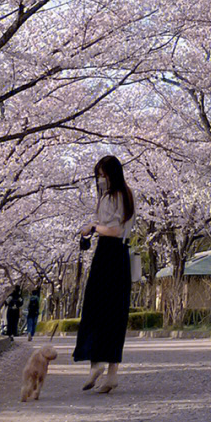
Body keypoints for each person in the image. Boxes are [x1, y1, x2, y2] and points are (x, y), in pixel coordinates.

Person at [73, 154, 134, 394]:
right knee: (116, 314)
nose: (100, 179)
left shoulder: (110, 197)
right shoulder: (129, 194)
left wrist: (92, 228)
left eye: (102, 174)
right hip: (122, 257)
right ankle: (112, 374)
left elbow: (115, 230)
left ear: (111, 175)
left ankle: (95, 364)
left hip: (107, 256)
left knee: (95, 309)